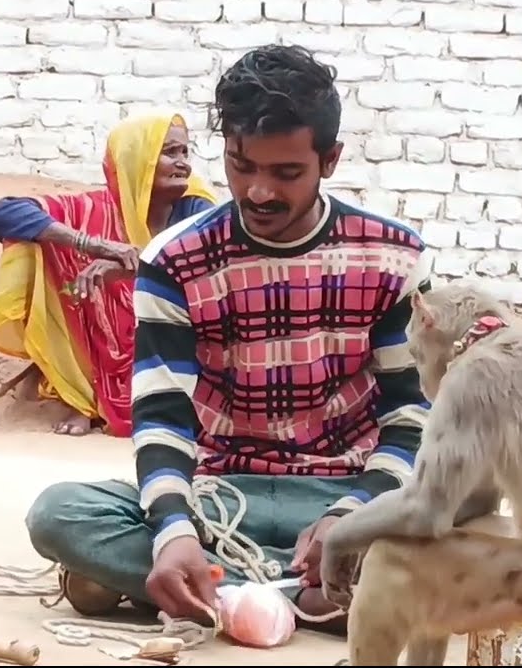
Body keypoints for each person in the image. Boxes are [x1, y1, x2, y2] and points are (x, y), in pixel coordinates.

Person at [24, 44, 432, 632]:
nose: (259, 192)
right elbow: (162, 414)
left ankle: (211, 592)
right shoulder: (177, 258)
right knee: (59, 514)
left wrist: (353, 513)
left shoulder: (395, 257)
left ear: (331, 160)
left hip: (344, 496)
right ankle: (308, 597)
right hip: (219, 497)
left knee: (481, 529)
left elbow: (411, 417)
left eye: (286, 172)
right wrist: (173, 529)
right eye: (242, 166)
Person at [0, 113, 219, 438]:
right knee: (48, 248)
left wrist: (129, 267)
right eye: (170, 152)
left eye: (185, 152)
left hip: (176, 340)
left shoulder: (197, 208)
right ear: (138, 160)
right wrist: (92, 245)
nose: (183, 164)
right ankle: (85, 393)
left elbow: (201, 261)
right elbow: (5, 214)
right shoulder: (99, 209)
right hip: (103, 338)